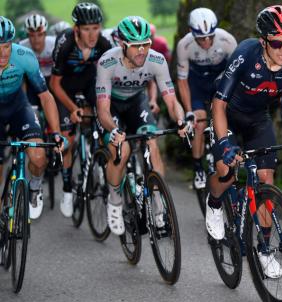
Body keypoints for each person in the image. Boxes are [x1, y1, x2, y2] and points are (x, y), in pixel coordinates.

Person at [207, 5, 282, 278]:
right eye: (277, 42)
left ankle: (264, 250)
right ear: (264, 41)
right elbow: (218, 104)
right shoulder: (245, 54)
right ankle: (215, 202)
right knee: (226, 173)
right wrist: (225, 143)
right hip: (227, 114)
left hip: (258, 119)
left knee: (266, 179)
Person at [96, 16, 186, 235]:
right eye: (136, 46)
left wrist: (182, 121)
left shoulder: (156, 60)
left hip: (137, 102)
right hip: (113, 107)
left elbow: (172, 101)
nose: (142, 51)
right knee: (122, 149)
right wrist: (114, 130)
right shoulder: (107, 62)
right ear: (122, 44)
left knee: (152, 143)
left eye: (146, 44)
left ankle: (158, 204)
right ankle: (115, 200)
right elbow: (103, 110)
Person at [0, 16, 66, 220]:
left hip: (19, 106)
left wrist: (55, 133)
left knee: (38, 157)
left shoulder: (24, 56)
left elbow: (45, 96)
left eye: (6, 46)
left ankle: (35, 187)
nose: (2, 53)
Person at [50, 2, 111, 218]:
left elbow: (110, 75)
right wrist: (73, 108)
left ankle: (102, 162)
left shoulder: (103, 43)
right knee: (68, 138)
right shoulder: (64, 43)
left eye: (96, 27)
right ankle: (67, 189)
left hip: (88, 83)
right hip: (64, 88)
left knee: (105, 119)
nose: (92, 34)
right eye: (86, 29)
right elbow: (54, 85)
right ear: (77, 29)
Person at [176, 7, 237, 191]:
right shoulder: (184, 46)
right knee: (199, 122)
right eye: (202, 38)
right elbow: (182, 81)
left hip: (220, 81)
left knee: (228, 120)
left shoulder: (227, 40)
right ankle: (197, 167)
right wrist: (188, 112)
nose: (207, 41)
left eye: (210, 36)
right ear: (190, 33)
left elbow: (238, 73)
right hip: (197, 85)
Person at [19, 14, 56, 107]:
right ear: (27, 36)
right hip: (32, 82)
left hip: (52, 80)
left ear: (45, 34)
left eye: (40, 35)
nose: (36, 39)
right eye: (32, 35)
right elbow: (21, 78)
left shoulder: (54, 44)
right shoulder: (21, 48)